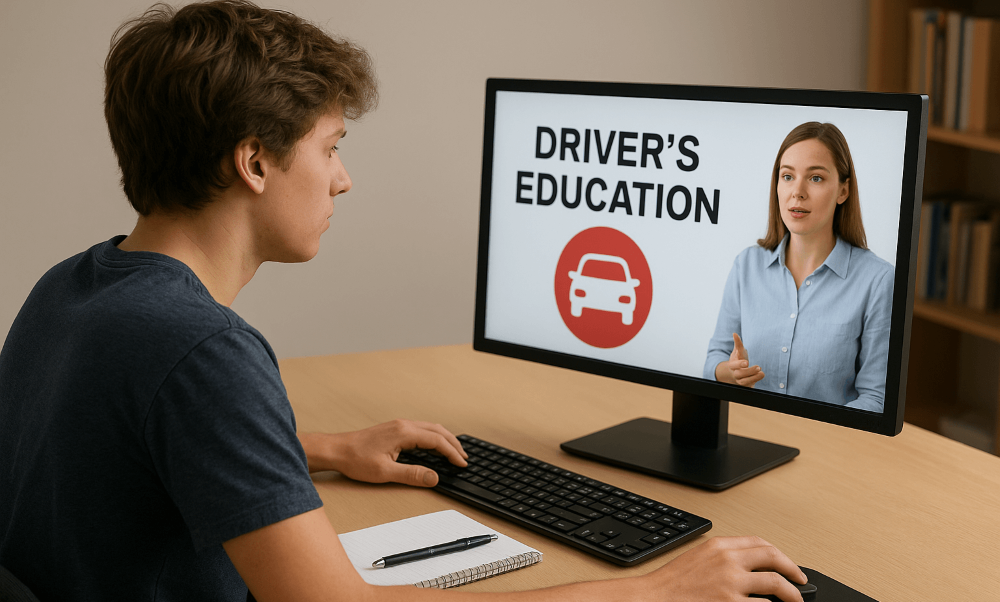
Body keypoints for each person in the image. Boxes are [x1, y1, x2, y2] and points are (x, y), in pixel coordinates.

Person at [0, 2, 808, 600]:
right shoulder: (204, 353)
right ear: (253, 162)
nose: (343, 177)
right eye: (331, 147)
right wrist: (658, 590)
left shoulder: (75, 287)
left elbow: (127, 441)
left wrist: (313, 447)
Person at [703, 122, 894, 412]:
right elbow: (713, 361)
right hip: (750, 434)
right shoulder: (747, 265)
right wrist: (729, 372)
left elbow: (875, 399)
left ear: (843, 190)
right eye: (788, 176)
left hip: (827, 445)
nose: (797, 192)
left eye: (815, 178)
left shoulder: (877, 281)